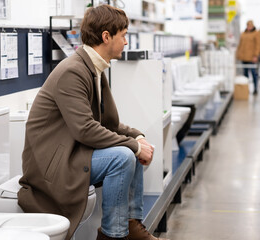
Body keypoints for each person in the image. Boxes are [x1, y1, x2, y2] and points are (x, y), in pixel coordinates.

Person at [17, 5, 169, 240]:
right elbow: (85, 130)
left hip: (74, 152)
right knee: (124, 156)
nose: (126, 42)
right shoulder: (73, 71)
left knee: (132, 149)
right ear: (106, 36)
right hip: (52, 166)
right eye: (124, 35)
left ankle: (131, 226)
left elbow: (109, 123)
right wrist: (134, 146)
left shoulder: (94, 68)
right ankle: (113, 235)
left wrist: (137, 137)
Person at [236, 20, 260, 95]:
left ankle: (255, 89)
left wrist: (256, 55)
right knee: (245, 75)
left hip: (252, 58)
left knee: (253, 73)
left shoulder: (256, 33)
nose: (248, 27)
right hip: (244, 57)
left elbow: (258, 45)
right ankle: (246, 89)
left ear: (252, 26)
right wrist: (238, 54)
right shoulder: (243, 33)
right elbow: (240, 45)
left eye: (250, 26)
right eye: (247, 25)